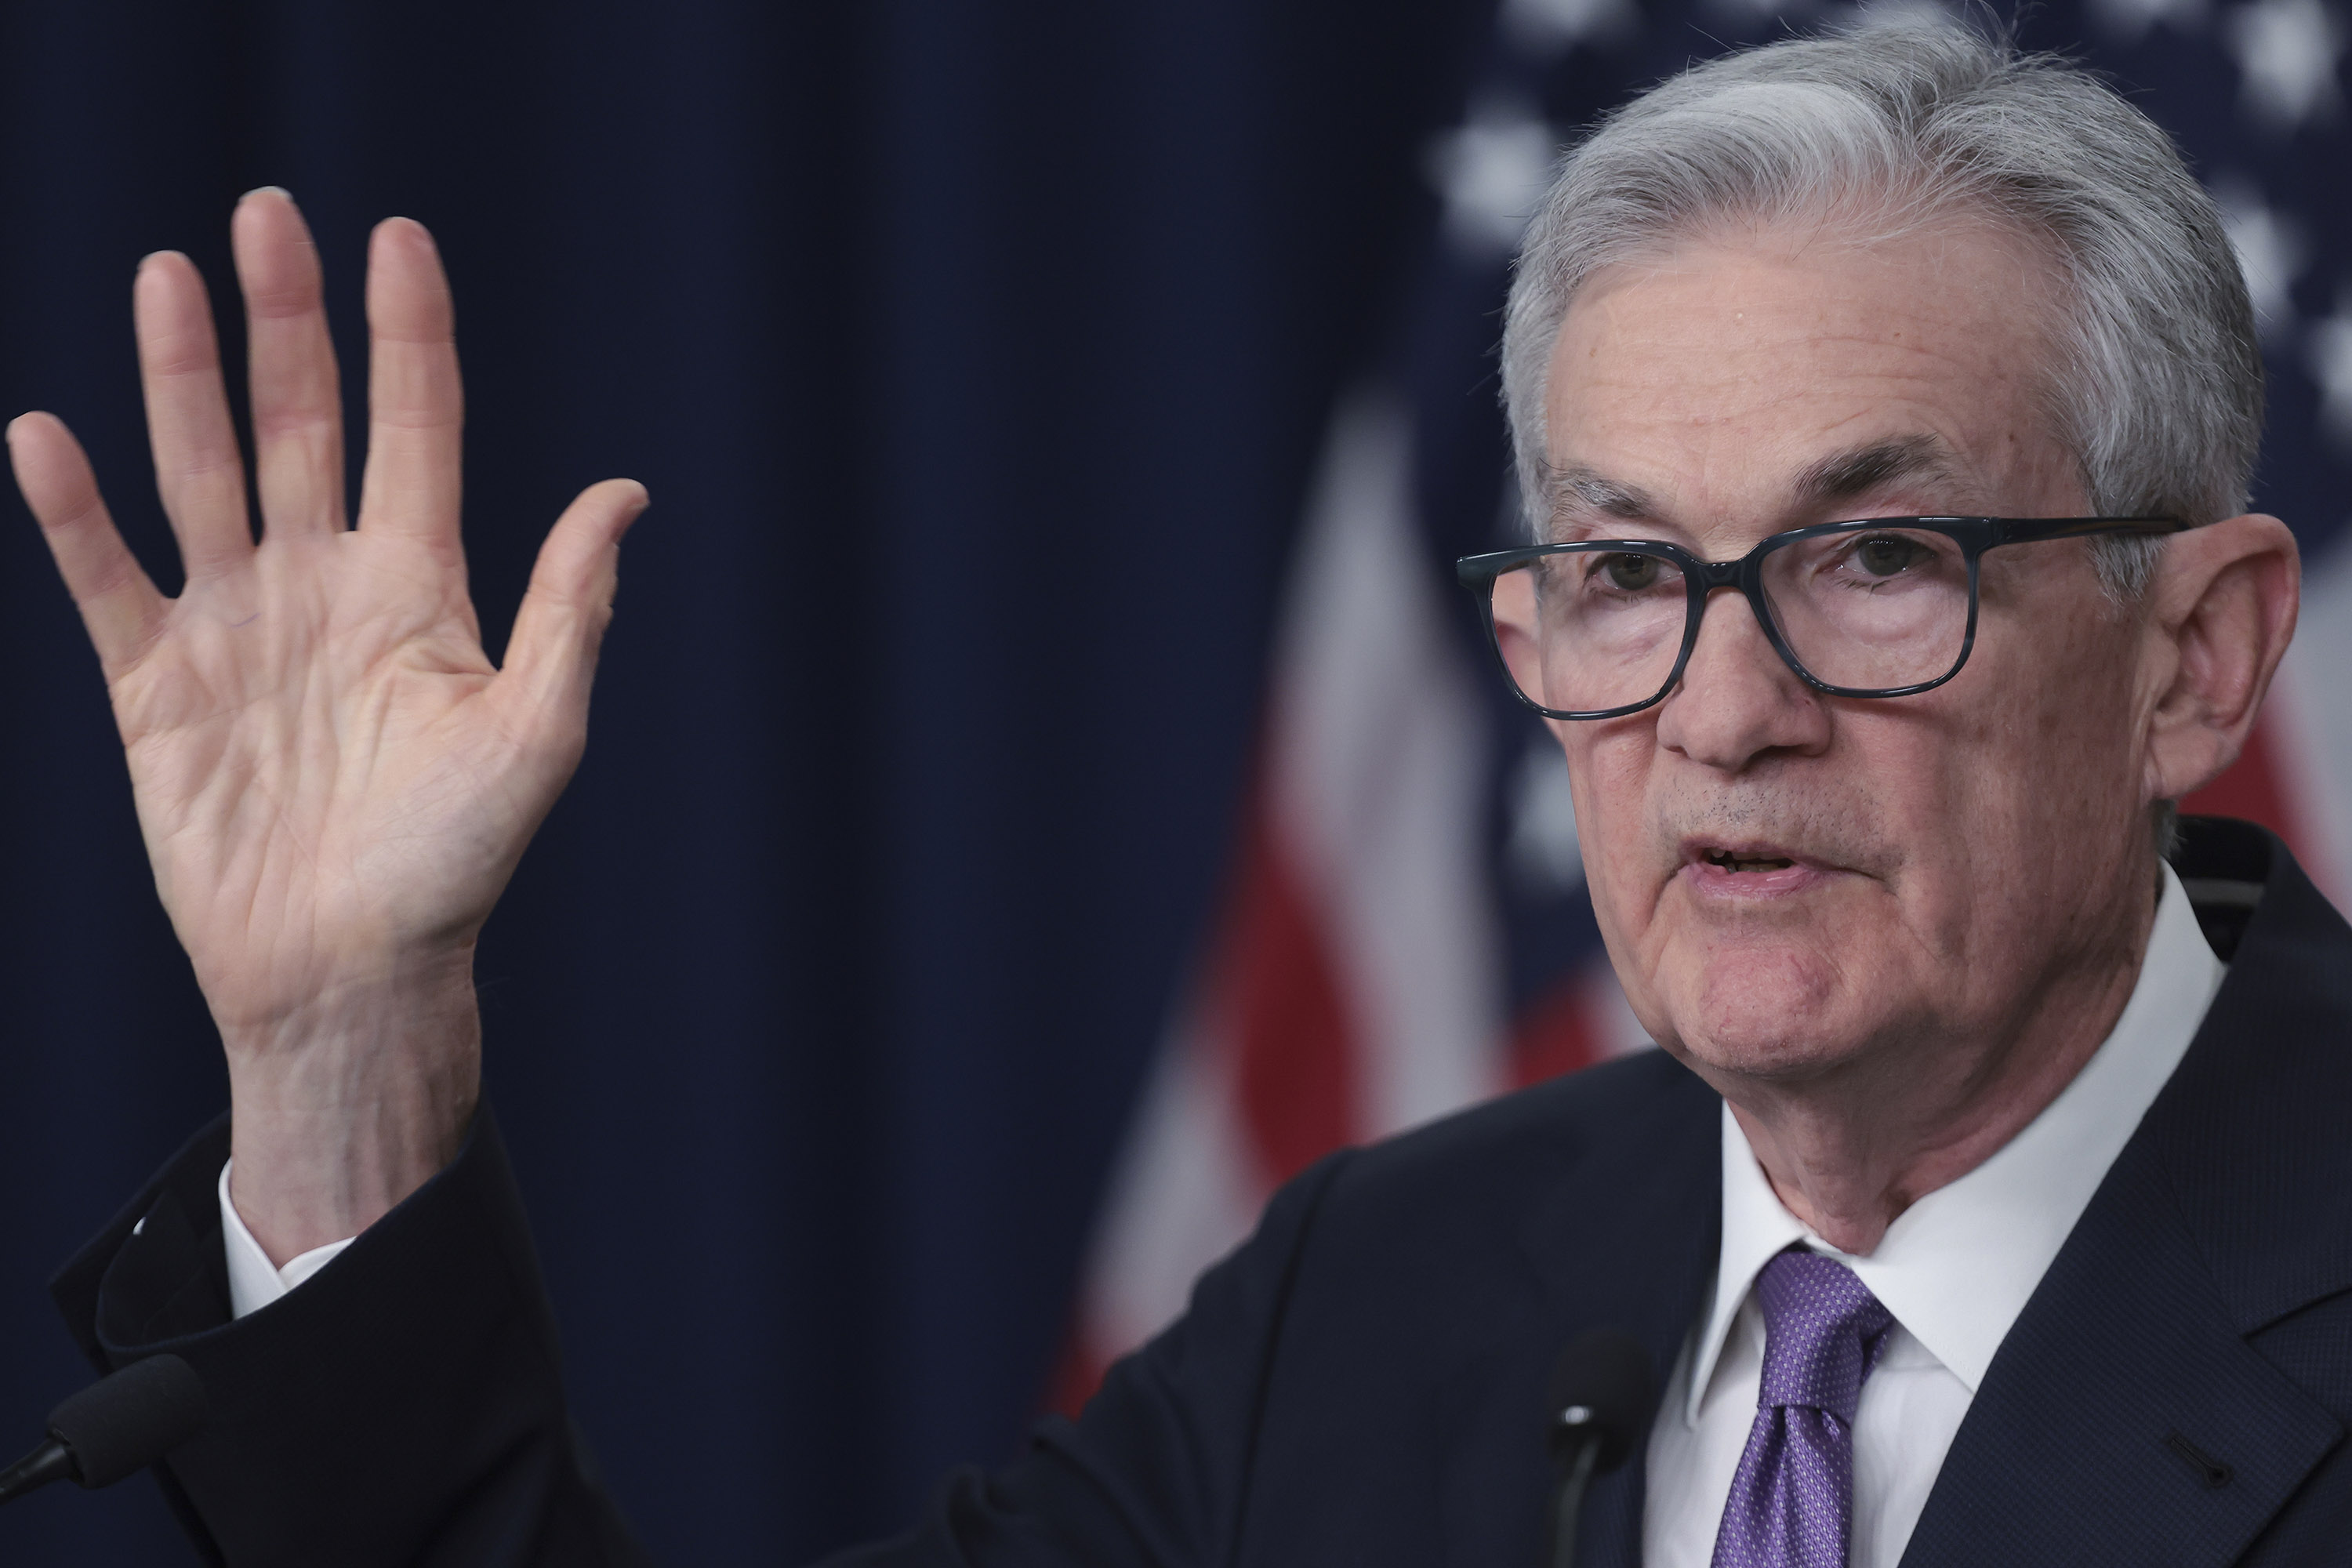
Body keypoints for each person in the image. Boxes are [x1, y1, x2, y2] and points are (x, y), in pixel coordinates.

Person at [9, 17, 2342, 1567]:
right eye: (1626, 572)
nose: (1721, 710)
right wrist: (341, 1056)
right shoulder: (1385, 1293)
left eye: (1873, 559)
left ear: (2196, 652)